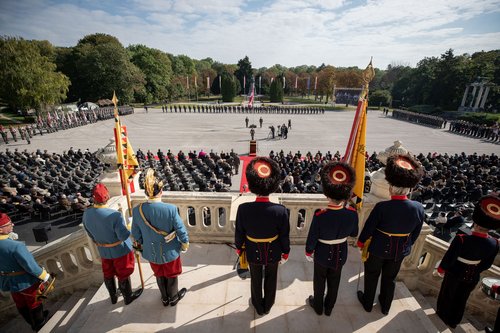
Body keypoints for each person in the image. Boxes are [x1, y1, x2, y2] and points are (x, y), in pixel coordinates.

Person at [357, 154, 424, 315]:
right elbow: (415, 233)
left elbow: (369, 227)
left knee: (372, 275)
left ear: (390, 188)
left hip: (378, 248)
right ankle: (385, 306)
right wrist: (406, 244)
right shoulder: (418, 207)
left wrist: (361, 242)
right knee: (390, 278)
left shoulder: (382, 206)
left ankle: (368, 302)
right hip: (400, 249)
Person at [235, 157, 290, 315]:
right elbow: (284, 235)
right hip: (274, 249)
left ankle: (258, 305)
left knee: (256, 279)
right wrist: (285, 251)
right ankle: (268, 305)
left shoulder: (243, 209)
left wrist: (239, 249)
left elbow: (239, 233)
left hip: (252, 250)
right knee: (271, 278)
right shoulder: (281, 210)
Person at [435, 193, 500, 329]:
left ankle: (442, 316)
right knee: (461, 299)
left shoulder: (462, 238)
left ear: (475, 222)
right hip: (473, 275)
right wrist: (475, 268)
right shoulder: (495, 243)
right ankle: (454, 321)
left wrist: (441, 269)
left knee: (447, 295)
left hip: (455, 272)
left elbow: (450, 257)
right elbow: (487, 264)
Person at [305, 162, 359, 316]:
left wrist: (309, 252)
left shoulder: (320, 214)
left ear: (327, 194)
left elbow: (312, 237)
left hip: (322, 252)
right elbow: (354, 233)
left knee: (319, 281)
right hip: (340, 252)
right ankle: (329, 308)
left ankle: (318, 306)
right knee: (334, 282)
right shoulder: (352, 213)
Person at [132, 169, 189, 307]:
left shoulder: (137, 210)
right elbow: (180, 230)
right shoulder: (170, 209)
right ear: (161, 191)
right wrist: (185, 243)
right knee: (171, 274)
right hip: (170, 250)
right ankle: (173, 298)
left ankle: (164, 298)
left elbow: (136, 233)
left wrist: (138, 248)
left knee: (158, 274)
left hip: (151, 251)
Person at [82, 183, 142, 305]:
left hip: (103, 250)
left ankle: (113, 297)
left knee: (108, 273)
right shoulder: (114, 215)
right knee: (123, 273)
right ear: (108, 197)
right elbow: (124, 236)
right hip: (120, 250)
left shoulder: (87, 213)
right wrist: (129, 227)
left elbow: (90, 234)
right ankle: (128, 297)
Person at [0, 213, 53, 331]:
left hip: (9, 281)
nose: (12, 224)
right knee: (34, 302)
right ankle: (40, 324)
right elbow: (30, 266)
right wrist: (44, 275)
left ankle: (31, 322)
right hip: (25, 281)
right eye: (8, 224)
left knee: (20, 303)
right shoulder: (16, 246)